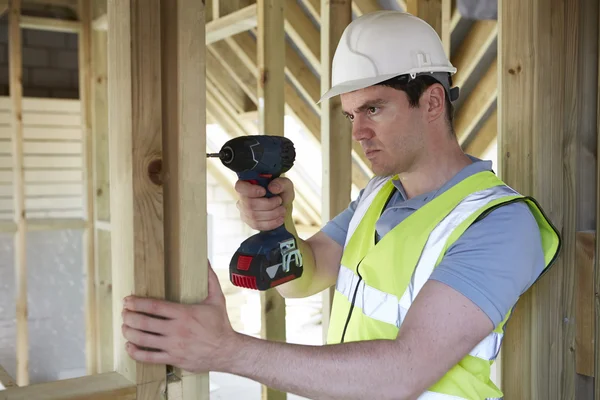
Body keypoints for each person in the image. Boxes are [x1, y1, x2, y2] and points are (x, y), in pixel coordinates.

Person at [120, 10, 561, 400]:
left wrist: (226, 350)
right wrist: (279, 222)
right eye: (351, 115)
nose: (357, 133)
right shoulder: (378, 195)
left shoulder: (500, 223)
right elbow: (302, 279)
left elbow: (403, 373)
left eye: (373, 109)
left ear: (431, 101)